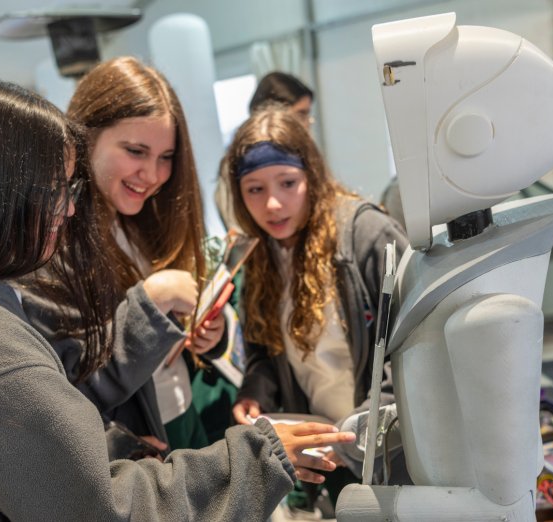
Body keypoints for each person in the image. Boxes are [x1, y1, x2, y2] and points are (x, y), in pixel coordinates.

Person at [0, 72, 354, 520]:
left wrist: (111, 444)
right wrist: (258, 456)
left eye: (165, 159)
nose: (67, 208)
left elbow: (33, 437)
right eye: (57, 191)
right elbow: (97, 503)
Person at [22, 56, 225, 453]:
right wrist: (153, 301)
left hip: (181, 419)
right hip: (139, 445)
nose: (152, 175)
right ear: (84, 136)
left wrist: (213, 335)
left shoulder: (143, 220)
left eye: (166, 158)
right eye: (135, 151)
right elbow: (66, 386)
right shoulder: (49, 243)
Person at [224, 107, 409, 510]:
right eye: (254, 189)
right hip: (327, 453)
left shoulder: (365, 236)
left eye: (288, 183)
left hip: (391, 452)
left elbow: (415, 350)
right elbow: (264, 350)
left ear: (312, 176)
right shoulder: (260, 255)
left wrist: (359, 432)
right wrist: (256, 389)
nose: (273, 204)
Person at [217, 71, 315, 233]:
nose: (307, 124)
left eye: (288, 183)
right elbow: (239, 232)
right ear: (272, 115)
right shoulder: (236, 164)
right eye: (301, 115)